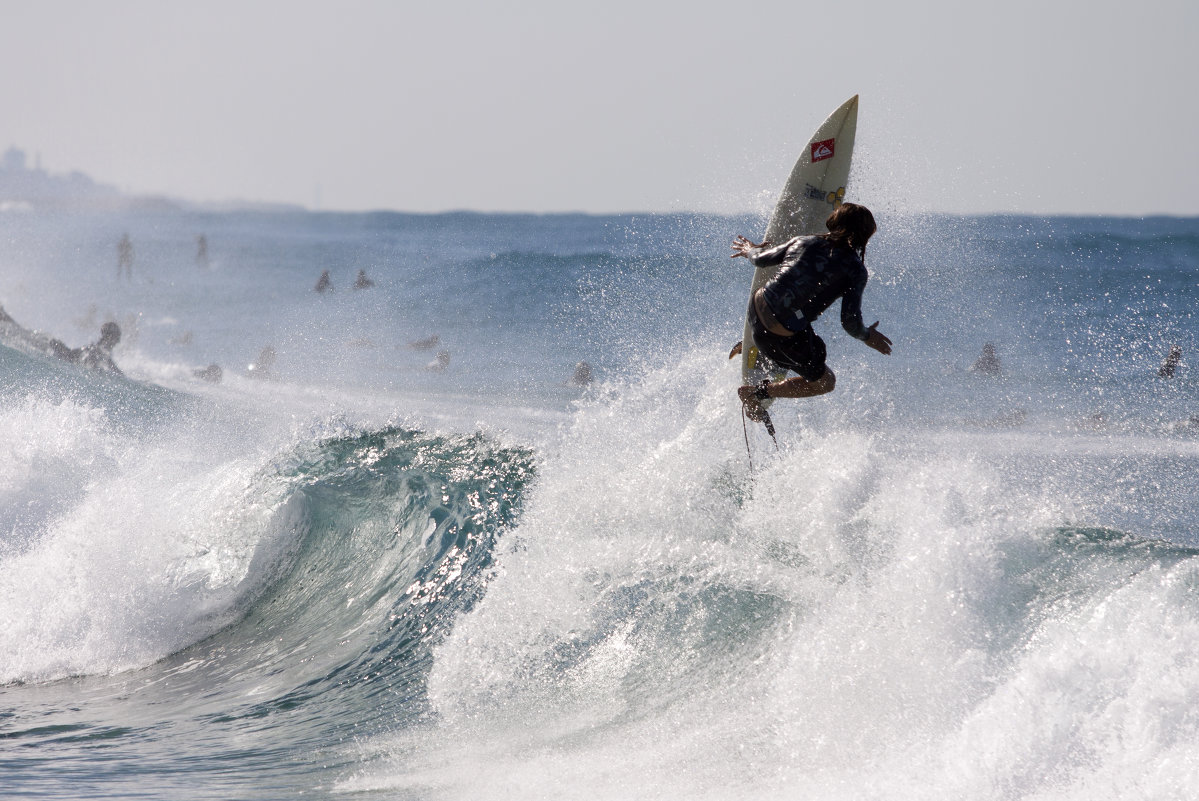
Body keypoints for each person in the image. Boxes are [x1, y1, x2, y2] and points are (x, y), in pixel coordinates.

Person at [732, 202, 892, 420]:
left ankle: (766, 345)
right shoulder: (855, 270)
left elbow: (760, 259)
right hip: (780, 335)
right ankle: (757, 392)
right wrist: (867, 336)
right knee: (825, 382)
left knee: (803, 322)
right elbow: (849, 323)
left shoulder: (803, 241)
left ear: (833, 222)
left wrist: (750, 249)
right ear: (865, 236)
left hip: (756, 308)